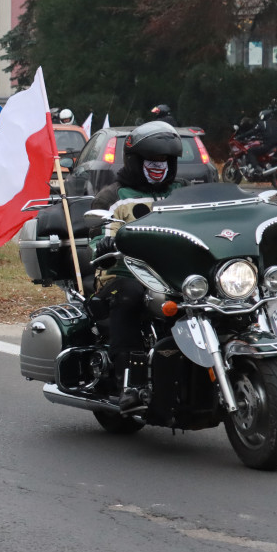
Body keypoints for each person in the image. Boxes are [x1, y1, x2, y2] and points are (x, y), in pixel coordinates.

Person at [90, 121, 184, 414]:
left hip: (175, 274)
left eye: (165, 161)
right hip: (123, 272)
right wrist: (102, 245)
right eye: (152, 161)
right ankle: (129, 383)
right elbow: (94, 238)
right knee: (130, 296)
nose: (159, 166)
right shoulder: (113, 196)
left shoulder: (183, 192)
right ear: (135, 161)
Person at [247, 108, 277, 174]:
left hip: (268, 146)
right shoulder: (276, 123)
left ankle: (256, 167)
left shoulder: (263, 123)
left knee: (250, 151)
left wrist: (240, 136)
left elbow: (253, 131)